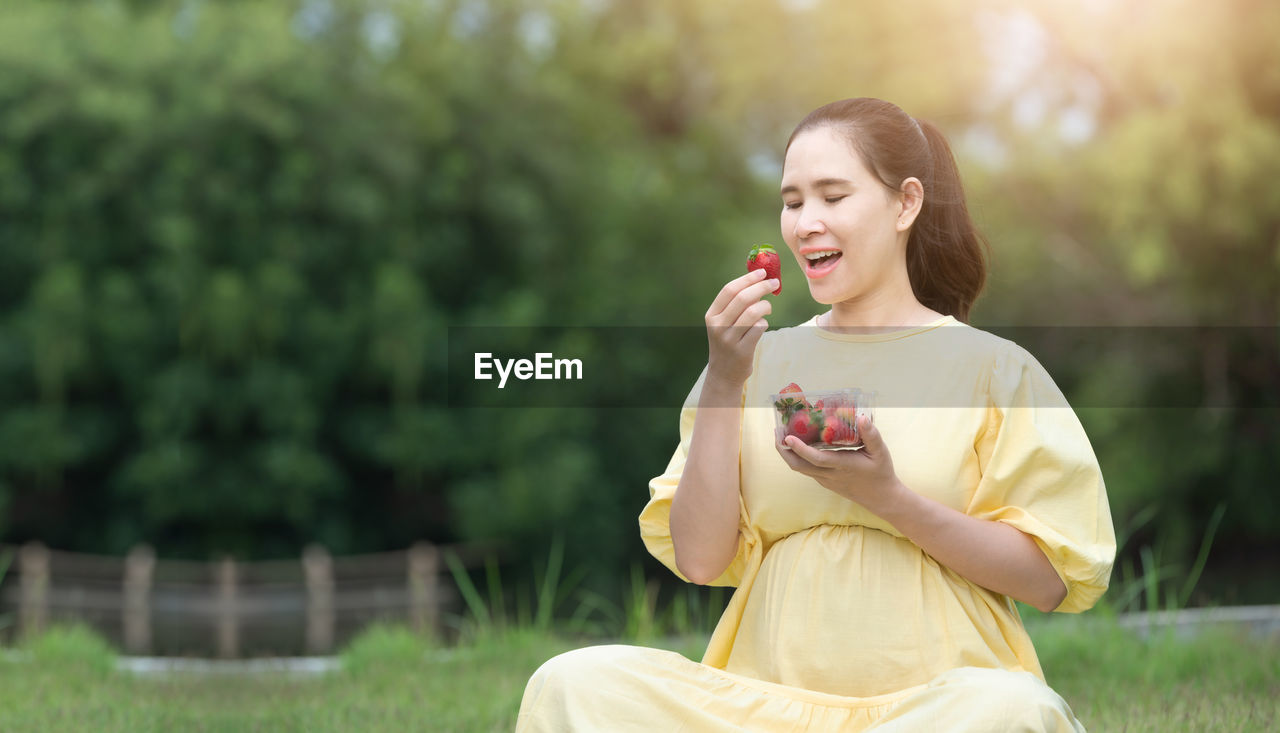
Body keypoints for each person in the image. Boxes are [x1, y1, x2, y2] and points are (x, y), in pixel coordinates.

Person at [516, 97, 1116, 731]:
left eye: (833, 196)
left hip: (930, 712)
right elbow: (699, 558)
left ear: (906, 204)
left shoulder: (993, 369)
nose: (806, 224)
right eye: (794, 201)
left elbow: (1048, 580)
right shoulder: (752, 362)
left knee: (1012, 710)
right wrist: (724, 378)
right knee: (573, 683)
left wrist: (887, 496)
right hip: (762, 710)